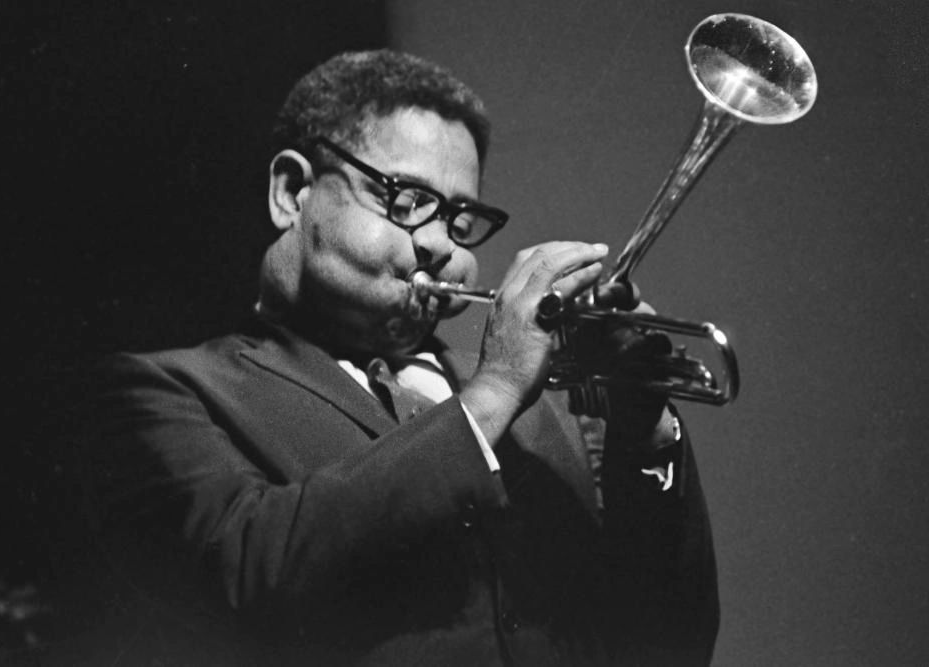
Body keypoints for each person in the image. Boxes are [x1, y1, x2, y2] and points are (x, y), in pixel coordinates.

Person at [74, 50, 718, 666]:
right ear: (293, 192)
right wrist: (491, 392)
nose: (441, 244)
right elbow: (245, 574)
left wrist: (645, 426)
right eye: (406, 200)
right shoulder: (164, 391)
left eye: (462, 219)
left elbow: (667, 642)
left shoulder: (546, 412)